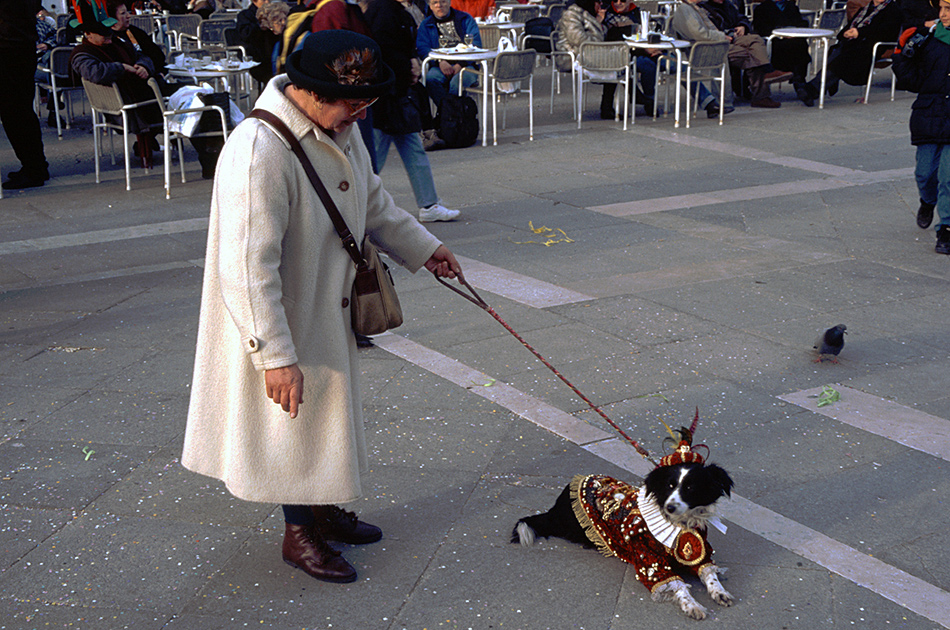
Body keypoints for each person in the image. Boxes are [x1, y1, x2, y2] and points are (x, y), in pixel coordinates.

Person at [181, 29, 463, 584]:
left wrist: (423, 247)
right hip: (277, 314)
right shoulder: (258, 150)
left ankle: (322, 506)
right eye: (351, 104)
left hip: (323, 303)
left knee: (324, 419)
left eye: (366, 104)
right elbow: (245, 268)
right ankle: (298, 533)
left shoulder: (341, 127)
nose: (359, 115)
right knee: (290, 422)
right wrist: (274, 356)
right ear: (310, 93)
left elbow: (371, 198)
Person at [363, 0, 460, 221]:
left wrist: (410, 63)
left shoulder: (388, 9)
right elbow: (384, 50)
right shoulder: (385, 10)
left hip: (393, 93)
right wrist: (409, 66)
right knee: (375, 155)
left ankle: (429, 203)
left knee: (403, 149)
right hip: (390, 94)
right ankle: (427, 204)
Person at [70, 0, 163, 168]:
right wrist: (121, 68)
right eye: (102, 34)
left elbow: (143, 56)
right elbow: (94, 72)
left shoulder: (117, 42)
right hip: (125, 104)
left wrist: (143, 66)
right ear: (88, 34)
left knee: (193, 95)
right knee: (184, 101)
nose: (108, 37)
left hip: (143, 93)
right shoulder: (81, 54)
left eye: (109, 33)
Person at [893, 0, 950, 252]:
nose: (942, 15)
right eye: (941, 8)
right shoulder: (927, 38)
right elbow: (912, 79)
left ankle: (946, 229)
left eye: (948, 9)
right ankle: (927, 201)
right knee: (925, 173)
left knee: (949, 178)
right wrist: (900, 54)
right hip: (930, 112)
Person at [803, 0, 903, 100]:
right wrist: (846, 33)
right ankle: (817, 87)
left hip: (875, 46)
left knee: (846, 56)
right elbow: (852, 25)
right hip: (856, 43)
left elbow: (886, 32)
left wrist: (859, 33)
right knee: (836, 50)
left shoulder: (893, 10)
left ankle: (814, 88)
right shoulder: (866, 8)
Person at [698, 0, 790, 108]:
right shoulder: (703, 9)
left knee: (756, 40)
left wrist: (742, 25)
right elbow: (709, 31)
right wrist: (727, 34)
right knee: (754, 54)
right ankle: (761, 95)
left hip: (735, 38)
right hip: (720, 43)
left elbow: (742, 17)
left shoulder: (728, 5)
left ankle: (766, 72)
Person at [1, 0, 50, 190]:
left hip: (10, 48)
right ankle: (35, 165)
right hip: (20, 46)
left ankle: (33, 169)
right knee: (20, 111)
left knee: (14, 112)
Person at [671, 0, 734, 117]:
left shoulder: (696, 7)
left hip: (708, 45)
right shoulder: (685, 9)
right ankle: (723, 101)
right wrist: (721, 36)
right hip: (699, 51)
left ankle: (723, 100)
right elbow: (698, 33)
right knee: (722, 55)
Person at [417, 0, 481, 111]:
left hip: (466, 65)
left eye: (443, 1)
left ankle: (450, 117)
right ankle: (449, 116)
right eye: (435, 3)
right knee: (431, 80)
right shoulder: (426, 25)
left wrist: (460, 64)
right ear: (430, 6)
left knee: (456, 84)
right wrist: (439, 61)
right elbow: (423, 48)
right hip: (439, 65)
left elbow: (476, 44)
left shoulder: (465, 19)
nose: (439, 5)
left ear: (450, 2)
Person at [602, 0, 659, 115]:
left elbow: (655, 27)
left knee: (664, 63)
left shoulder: (637, 12)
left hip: (639, 52)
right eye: (615, 0)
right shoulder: (606, 14)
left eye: (622, 0)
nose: (619, 3)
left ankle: (647, 100)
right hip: (619, 55)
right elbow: (612, 37)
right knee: (645, 65)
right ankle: (643, 99)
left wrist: (654, 48)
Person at [753, 0, 814, 105]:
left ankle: (799, 81)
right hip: (776, 40)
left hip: (794, 38)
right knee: (791, 46)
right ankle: (798, 81)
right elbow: (761, 28)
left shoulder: (791, 6)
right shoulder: (762, 8)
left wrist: (794, 31)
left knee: (800, 43)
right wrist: (781, 32)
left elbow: (800, 22)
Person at [236, 0, 276, 84]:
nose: (267, 2)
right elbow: (246, 35)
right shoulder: (245, 15)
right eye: (264, 0)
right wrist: (260, 26)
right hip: (256, 56)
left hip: (272, 53)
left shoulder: (274, 14)